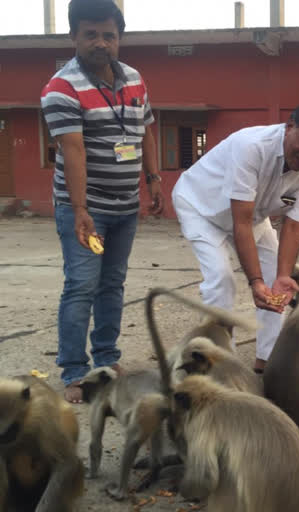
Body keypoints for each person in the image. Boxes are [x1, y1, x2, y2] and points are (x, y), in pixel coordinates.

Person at [41, 0, 163, 403]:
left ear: (119, 38)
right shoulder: (61, 88)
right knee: (80, 286)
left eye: (109, 35)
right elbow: (72, 150)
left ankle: (107, 359)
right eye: (90, 34)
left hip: (126, 206)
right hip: (86, 210)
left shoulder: (134, 78)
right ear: (73, 36)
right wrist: (79, 210)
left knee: (112, 284)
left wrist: (154, 179)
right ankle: (75, 371)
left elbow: (146, 130)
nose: (100, 43)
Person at [172, 100, 299, 371]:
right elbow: (242, 222)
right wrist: (255, 281)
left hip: (253, 217)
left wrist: (282, 276)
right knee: (221, 279)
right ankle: (220, 365)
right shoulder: (251, 146)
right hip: (201, 208)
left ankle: (267, 362)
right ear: (289, 126)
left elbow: (293, 227)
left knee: (277, 283)